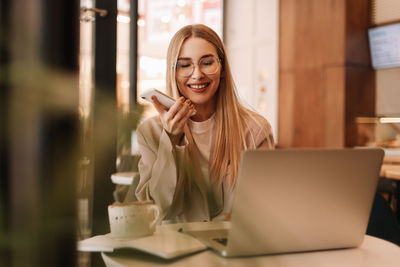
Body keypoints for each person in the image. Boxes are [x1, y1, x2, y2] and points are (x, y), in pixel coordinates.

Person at [135, 24, 274, 223]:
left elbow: (264, 210)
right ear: (173, 72)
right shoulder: (150, 132)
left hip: (233, 247)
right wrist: (171, 140)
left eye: (207, 63)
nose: (197, 74)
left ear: (223, 69)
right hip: (175, 248)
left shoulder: (255, 129)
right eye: (184, 65)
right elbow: (159, 211)